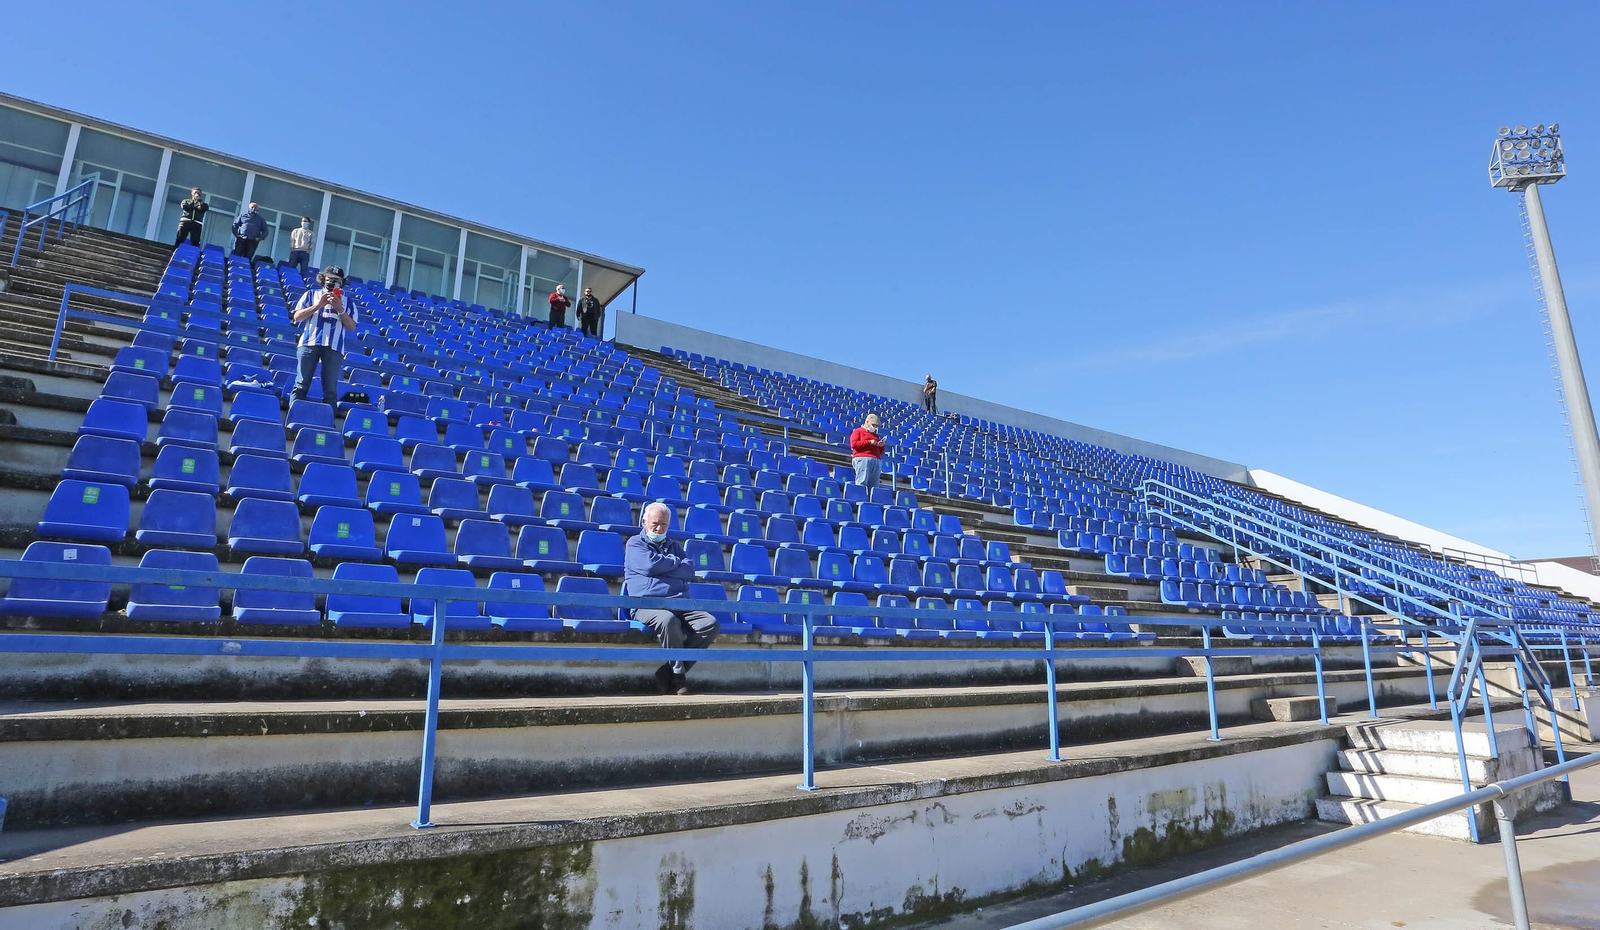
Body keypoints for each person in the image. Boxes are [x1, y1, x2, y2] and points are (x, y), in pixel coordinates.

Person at [625, 502, 720, 695]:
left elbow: (689, 570)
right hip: (646, 604)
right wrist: (674, 567)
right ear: (644, 521)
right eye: (655, 523)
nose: (659, 528)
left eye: (664, 524)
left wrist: (665, 568)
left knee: (710, 624)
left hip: (679, 602)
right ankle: (678, 676)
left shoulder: (674, 546)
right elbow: (650, 566)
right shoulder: (635, 543)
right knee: (668, 620)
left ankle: (665, 672)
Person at [289, 264, 357, 405]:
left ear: (342, 282)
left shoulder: (349, 302)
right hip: (310, 343)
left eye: (337, 280)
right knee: (301, 385)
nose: (332, 282)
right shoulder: (310, 294)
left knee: (330, 391)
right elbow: (297, 317)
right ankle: (293, 415)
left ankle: (328, 423)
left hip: (334, 347)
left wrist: (340, 309)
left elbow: (352, 327)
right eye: (330, 279)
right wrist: (318, 305)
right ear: (323, 279)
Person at [849, 413, 886, 488]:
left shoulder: (875, 435)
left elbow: (880, 452)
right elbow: (854, 444)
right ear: (867, 422)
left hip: (876, 460)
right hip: (863, 458)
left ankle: (871, 499)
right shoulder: (858, 431)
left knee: (874, 485)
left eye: (876, 426)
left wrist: (881, 446)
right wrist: (869, 442)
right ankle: (859, 498)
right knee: (862, 482)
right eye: (873, 425)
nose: (874, 427)